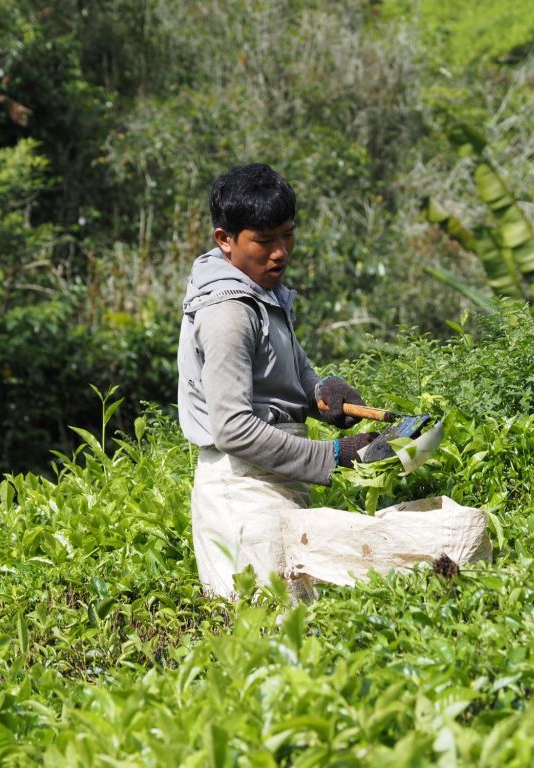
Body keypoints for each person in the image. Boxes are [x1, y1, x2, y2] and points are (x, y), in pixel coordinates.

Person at [177, 162, 379, 597]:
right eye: (264, 241)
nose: (280, 252)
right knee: (274, 634)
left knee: (300, 633)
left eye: (287, 234)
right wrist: (335, 455)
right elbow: (233, 429)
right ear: (224, 240)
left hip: (273, 482)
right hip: (243, 492)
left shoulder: (259, 291)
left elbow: (291, 366)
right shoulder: (228, 312)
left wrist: (318, 390)